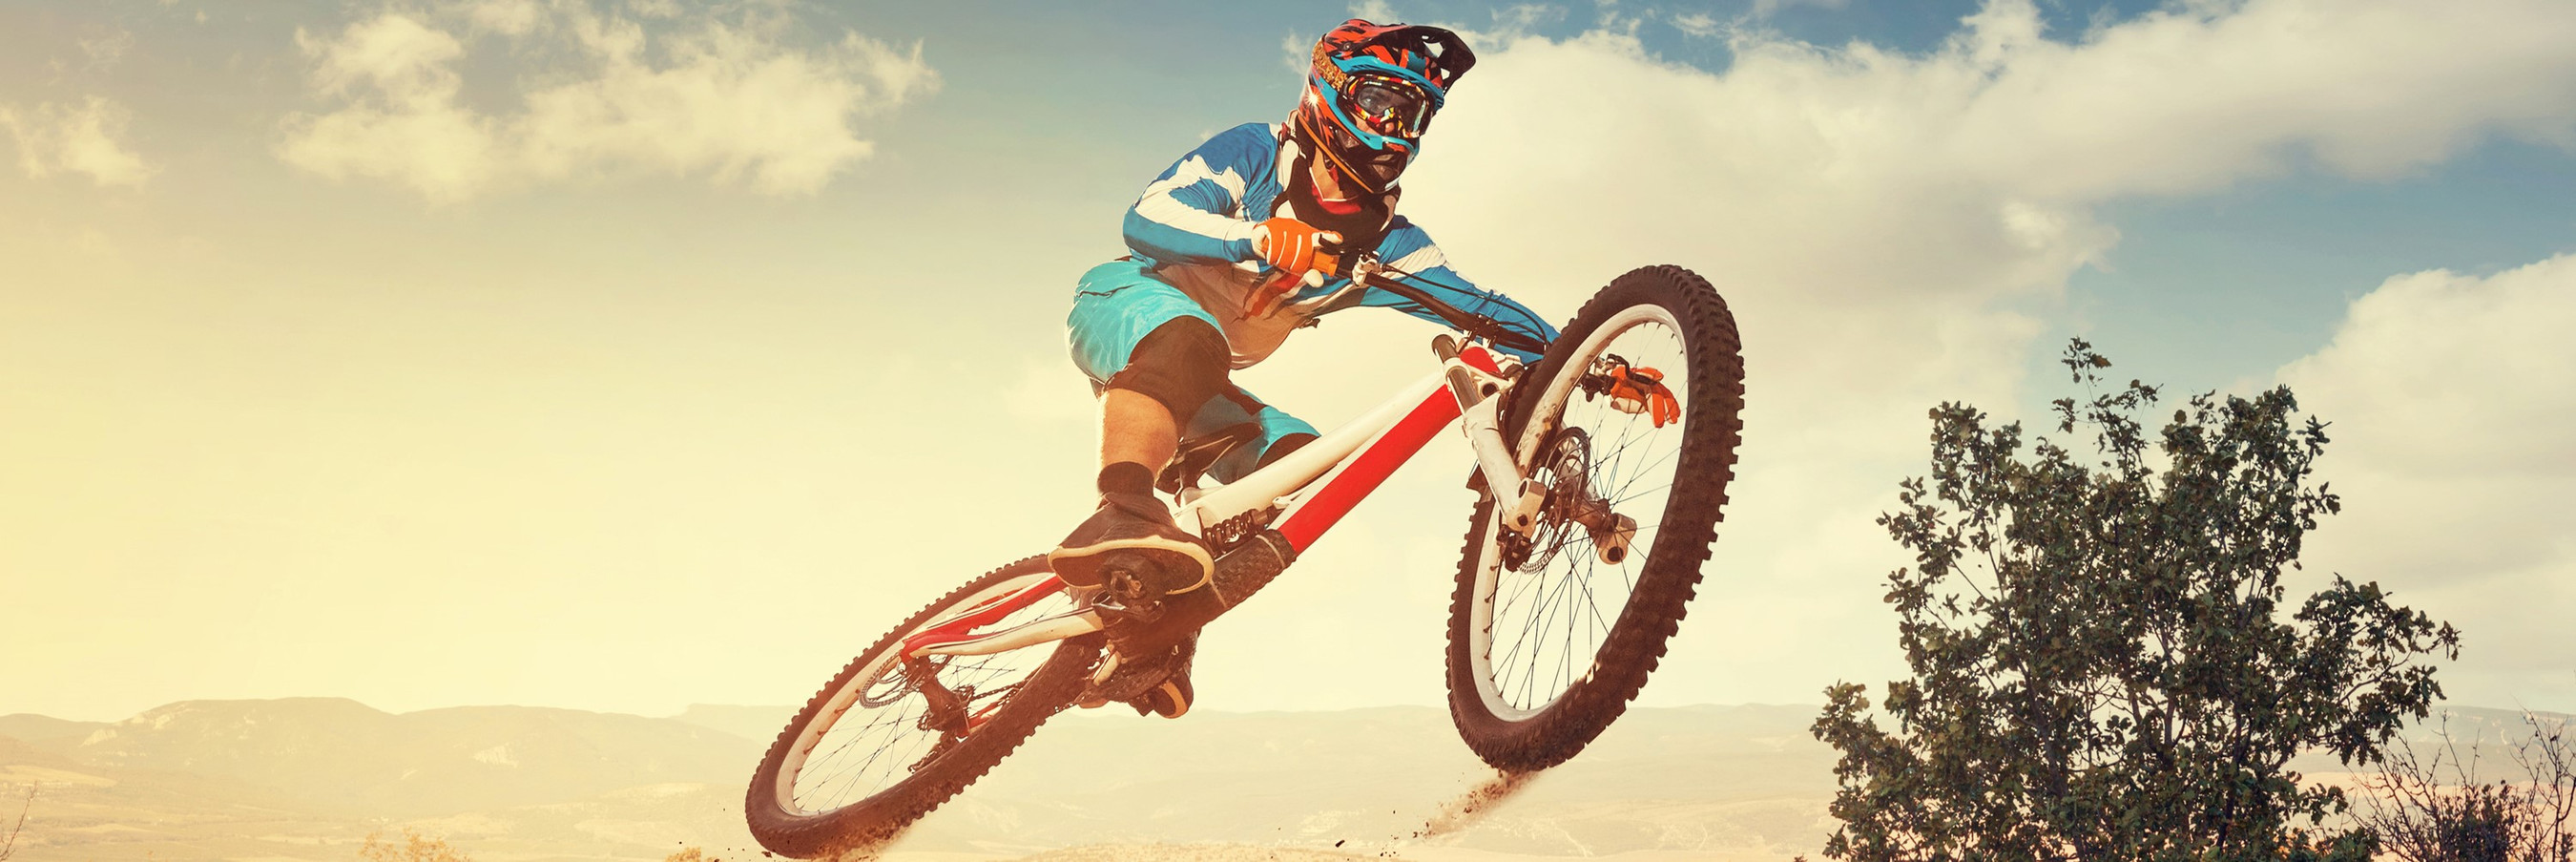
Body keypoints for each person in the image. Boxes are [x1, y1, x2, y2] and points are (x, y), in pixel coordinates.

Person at [1047, 19, 1560, 719]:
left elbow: (1483, 309)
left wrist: (1588, 355)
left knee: (1301, 465)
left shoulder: (1388, 243)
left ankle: (1157, 633)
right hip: (1122, 307)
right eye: (1379, 101)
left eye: (1411, 113)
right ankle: (1120, 511)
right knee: (1193, 342)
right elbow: (1147, 217)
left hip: (1203, 381)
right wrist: (1254, 237)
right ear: (1329, 90)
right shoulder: (1256, 152)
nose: (1394, 126)